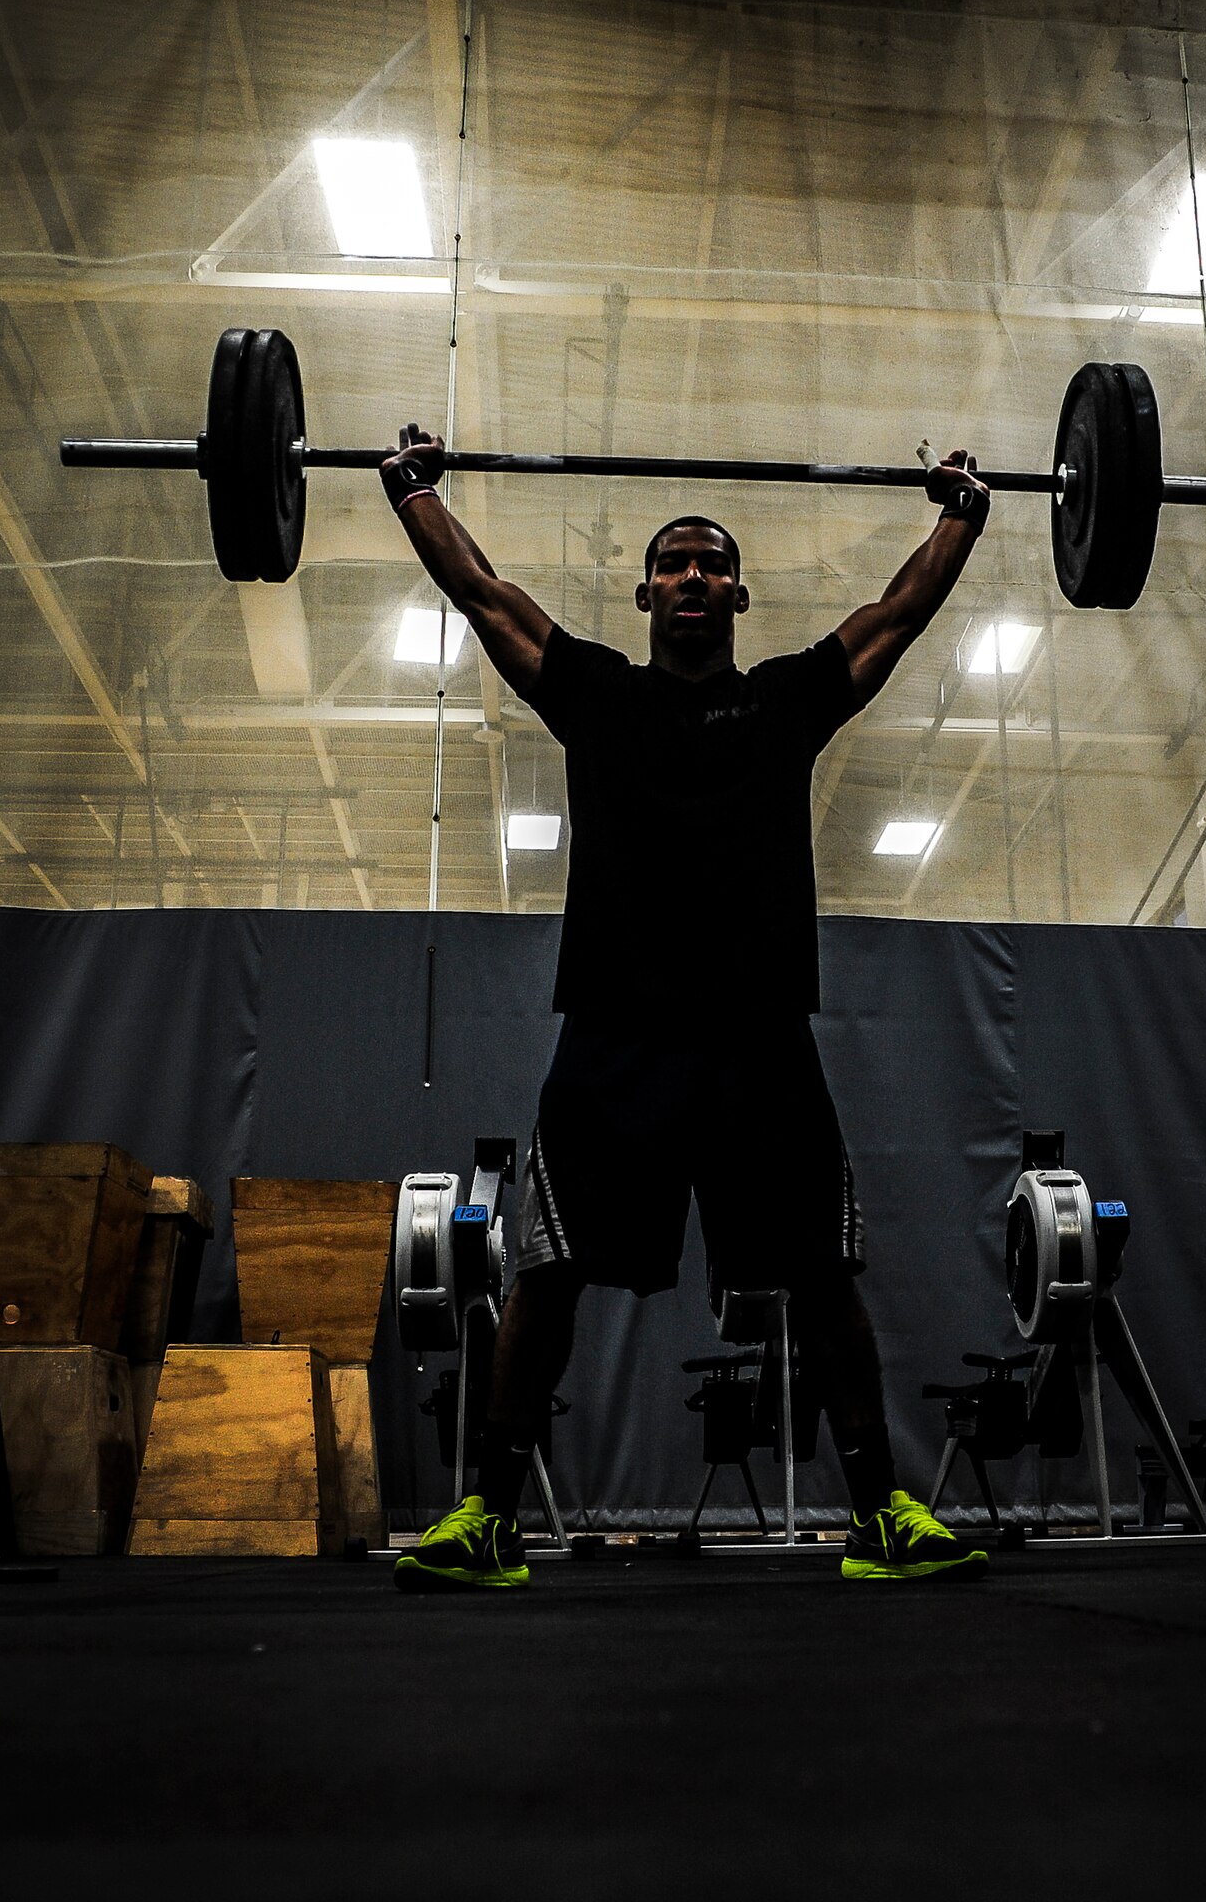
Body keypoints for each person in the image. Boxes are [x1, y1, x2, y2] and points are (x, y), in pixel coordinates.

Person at [381, 424, 991, 1590]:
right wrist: (411, 487)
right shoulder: (600, 698)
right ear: (647, 590)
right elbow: (480, 593)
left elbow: (896, 614)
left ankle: (877, 1518)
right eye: (673, 562)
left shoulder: (784, 705)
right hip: (615, 1037)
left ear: (739, 594)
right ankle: (489, 1519)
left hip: (760, 1041)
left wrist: (960, 511)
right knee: (546, 1275)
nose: (694, 576)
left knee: (822, 1274)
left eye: (712, 562)